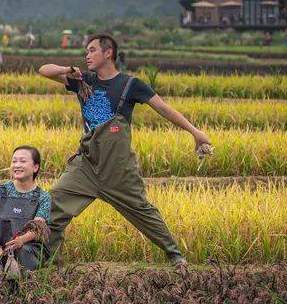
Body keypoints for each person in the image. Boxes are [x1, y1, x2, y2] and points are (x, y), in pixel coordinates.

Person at [39, 33, 211, 270]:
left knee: (143, 212)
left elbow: (164, 108)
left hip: (118, 168)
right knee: (53, 205)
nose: (87, 55)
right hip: (86, 165)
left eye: (92, 50)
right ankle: (50, 263)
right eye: (86, 51)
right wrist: (68, 69)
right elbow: (44, 70)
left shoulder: (132, 85)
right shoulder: (83, 80)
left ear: (108, 53)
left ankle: (176, 256)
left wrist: (195, 132)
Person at [0, 146, 50, 273]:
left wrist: (21, 241)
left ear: (35, 167)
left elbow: (37, 228)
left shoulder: (43, 197)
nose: (17, 165)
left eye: (23, 161)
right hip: (0, 248)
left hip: (28, 249)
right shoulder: (0, 191)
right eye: (14, 161)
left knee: (22, 255)